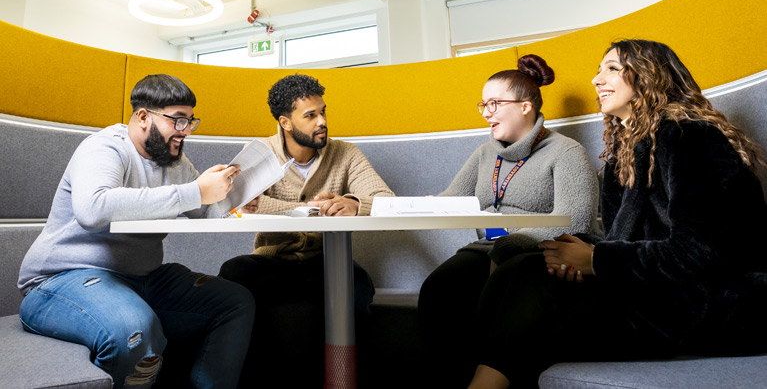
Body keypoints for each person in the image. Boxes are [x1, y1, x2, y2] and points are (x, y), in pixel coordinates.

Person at [466, 39, 767, 389]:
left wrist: (596, 260)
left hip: (712, 304)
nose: (596, 80)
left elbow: (702, 251)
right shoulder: (623, 152)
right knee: (519, 267)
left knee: (530, 291)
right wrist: (573, 252)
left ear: (649, 77)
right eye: (599, 69)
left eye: (611, 68)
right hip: (653, 290)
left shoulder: (691, 137)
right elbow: (622, 241)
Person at [17, 74, 255, 389]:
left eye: (190, 122)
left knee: (234, 301)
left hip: (140, 278)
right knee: (135, 330)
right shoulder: (104, 148)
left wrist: (233, 202)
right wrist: (195, 191)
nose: (184, 132)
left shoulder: (174, 160)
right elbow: (93, 208)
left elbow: (203, 209)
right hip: (60, 280)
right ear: (143, 117)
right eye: (178, 121)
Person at [418, 54, 600, 388]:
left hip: (535, 253)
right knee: (440, 290)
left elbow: (578, 219)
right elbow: (452, 199)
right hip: (486, 249)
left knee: (499, 295)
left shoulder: (565, 151)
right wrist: (402, 206)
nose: (487, 112)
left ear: (525, 106)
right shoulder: (484, 153)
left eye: (495, 103)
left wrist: (512, 240)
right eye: (483, 105)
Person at [218, 73, 394, 388]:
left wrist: (353, 203)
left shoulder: (346, 153)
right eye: (310, 116)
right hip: (271, 260)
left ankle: (345, 382)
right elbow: (242, 206)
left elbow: (385, 200)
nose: (322, 121)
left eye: (323, 112)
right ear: (286, 122)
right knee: (234, 273)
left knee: (359, 285)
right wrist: (296, 208)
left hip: (327, 260)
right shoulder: (259, 153)